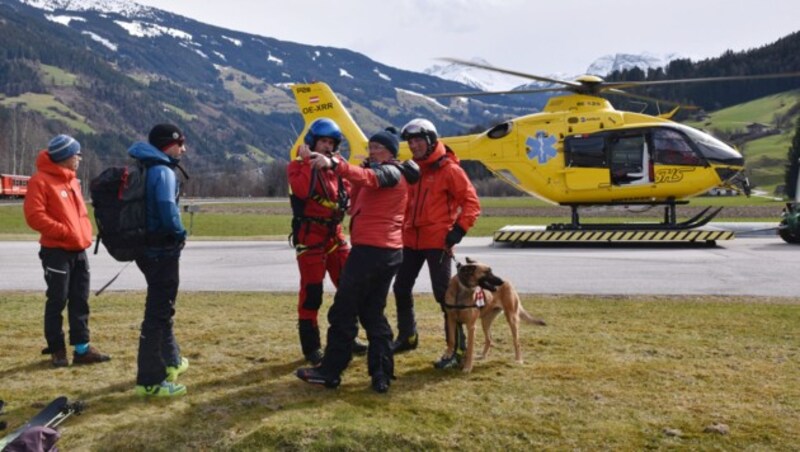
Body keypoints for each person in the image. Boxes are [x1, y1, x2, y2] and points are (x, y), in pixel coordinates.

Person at [296, 128, 419, 393]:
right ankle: (381, 373)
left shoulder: (390, 173)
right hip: (387, 252)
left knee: (343, 311)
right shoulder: (381, 176)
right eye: (371, 147)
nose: (373, 151)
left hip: (370, 252)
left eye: (379, 148)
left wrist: (334, 163)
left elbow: (368, 177)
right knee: (373, 313)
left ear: (391, 153)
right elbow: (352, 204)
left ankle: (330, 370)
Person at [391, 118, 481, 369]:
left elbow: (472, 203)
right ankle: (408, 336)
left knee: (445, 297)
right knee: (401, 288)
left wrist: (458, 230)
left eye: (418, 140)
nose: (414, 146)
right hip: (410, 240)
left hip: (437, 242)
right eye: (410, 142)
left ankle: (457, 349)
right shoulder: (411, 170)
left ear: (430, 141)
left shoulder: (449, 170)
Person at [23, 134, 111, 367]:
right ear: (64, 157)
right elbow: (34, 217)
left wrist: (83, 233)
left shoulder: (72, 181)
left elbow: (79, 216)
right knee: (57, 300)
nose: (79, 158)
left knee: (80, 299)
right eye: (76, 154)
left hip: (79, 250)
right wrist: (65, 232)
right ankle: (57, 349)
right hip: (56, 251)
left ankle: (82, 350)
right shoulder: (40, 181)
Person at [288, 118, 367, 365]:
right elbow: (302, 190)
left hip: (334, 236)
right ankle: (311, 347)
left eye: (331, 143)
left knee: (349, 288)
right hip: (310, 239)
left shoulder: (338, 169)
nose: (327, 147)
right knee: (312, 294)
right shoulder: (296, 167)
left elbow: (352, 194)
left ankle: (347, 337)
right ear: (313, 142)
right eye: (323, 141)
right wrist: (310, 162)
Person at [129, 123, 190, 397]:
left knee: (162, 310)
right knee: (157, 314)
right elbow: (168, 210)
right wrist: (180, 232)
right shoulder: (163, 171)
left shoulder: (146, 166)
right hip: (162, 252)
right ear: (169, 144)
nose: (184, 149)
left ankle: (172, 360)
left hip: (147, 250)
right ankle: (150, 380)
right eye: (181, 143)